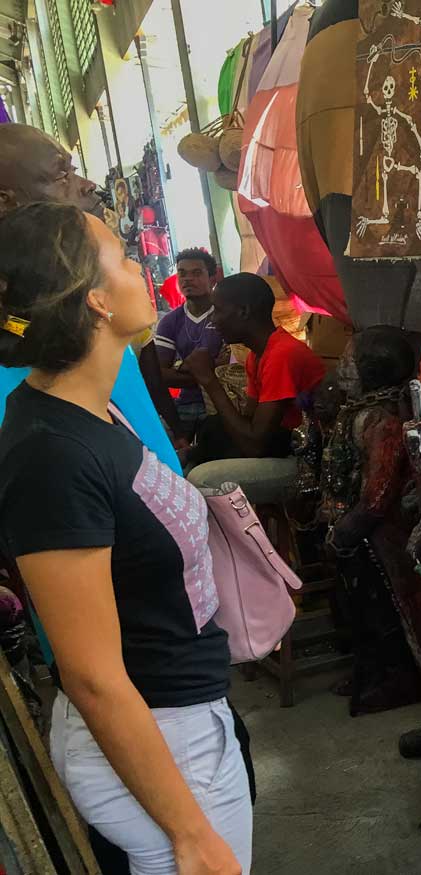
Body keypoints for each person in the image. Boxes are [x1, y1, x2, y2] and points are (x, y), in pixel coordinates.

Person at [0, 202, 249, 874]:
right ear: (96, 300)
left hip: (182, 725)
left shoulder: (92, 407)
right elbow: (92, 674)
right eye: (124, 255)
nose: (146, 265)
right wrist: (189, 830)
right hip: (159, 748)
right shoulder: (50, 452)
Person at [185, 273, 326, 504]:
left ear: (243, 311)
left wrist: (209, 381)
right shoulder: (257, 356)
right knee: (209, 434)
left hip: (305, 461)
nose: (214, 320)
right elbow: (246, 425)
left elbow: (254, 444)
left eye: (218, 310)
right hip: (279, 445)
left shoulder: (282, 355)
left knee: (201, 480)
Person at [154, 249, 225, 438]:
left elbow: (231, 367)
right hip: (186, 404)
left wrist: (183, 368)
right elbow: (160, 373)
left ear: (212, 278)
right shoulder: (170, 321)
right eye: (182, 273)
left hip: (224, 402)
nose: (187, 279)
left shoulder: (226, 313)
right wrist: (208, 372)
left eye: (196, 273)